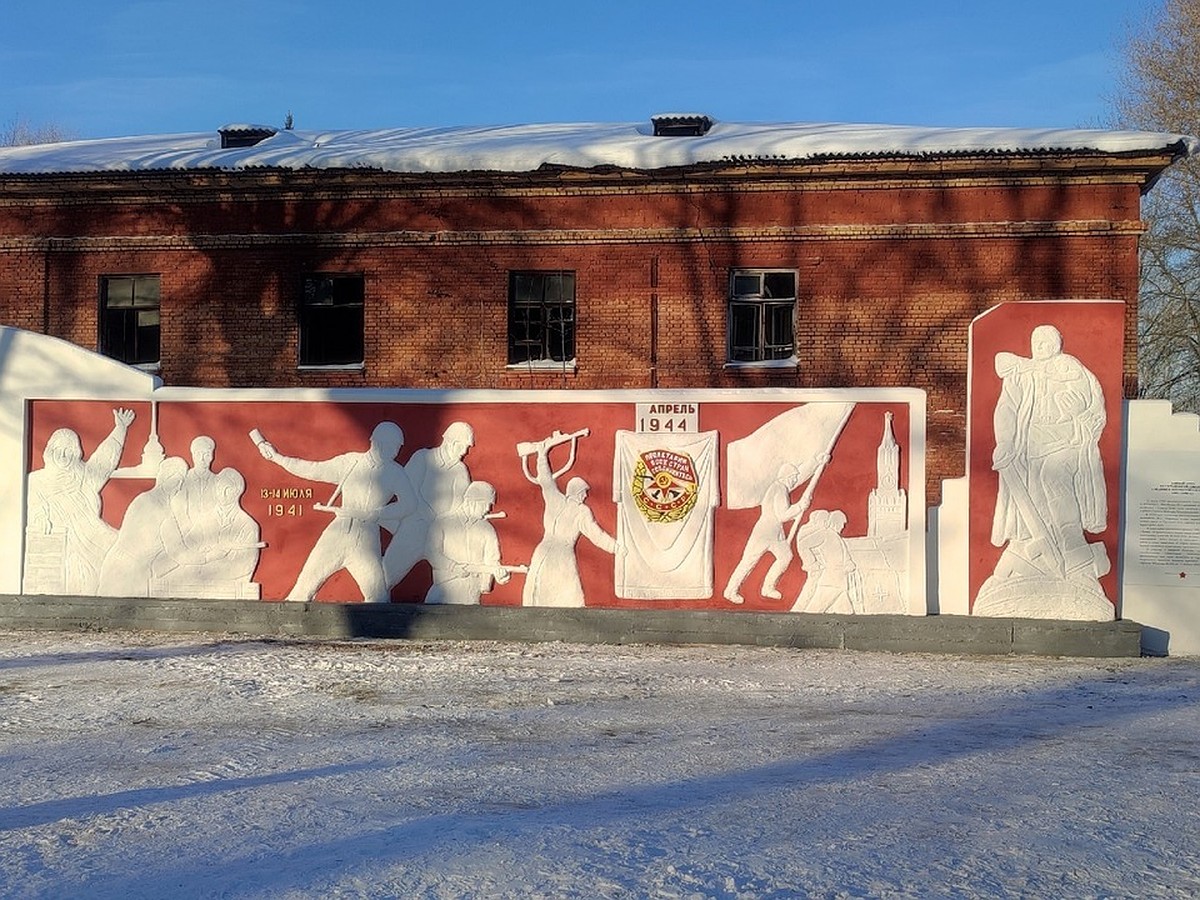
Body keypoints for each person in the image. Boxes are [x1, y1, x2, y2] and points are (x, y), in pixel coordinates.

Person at [977, 324, 1112, 618]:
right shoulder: (1021, 374)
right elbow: (1007, 408)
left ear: (1058, 344)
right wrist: (1005, 442)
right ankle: (1033, 555)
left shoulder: (1069, 367)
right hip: (1029, 450)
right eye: (1036, 340)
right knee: (1031, 503)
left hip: (1063, 444)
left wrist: (1070, 410)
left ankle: (1075, 558)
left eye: (1047, 340)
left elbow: (1090, 404)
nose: (1041, 345)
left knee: (1057, 490)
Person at [256, 422, 416, 603]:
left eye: (396, 447)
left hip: (366, 540)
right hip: (338, 534)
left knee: (378, 598)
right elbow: (312, 470)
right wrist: (277, 458)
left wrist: (377, 514)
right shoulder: (350, 462)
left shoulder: (396, 473)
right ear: (375, 442)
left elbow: (410, 505)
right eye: (390, 445)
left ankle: (375, 632)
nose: (394, 452)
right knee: (303, 590)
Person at [25, 408, 136, 594]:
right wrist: (39, 518)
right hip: (63, 541)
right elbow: (32, 504)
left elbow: (104, 461)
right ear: (49, 451)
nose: (63, 456)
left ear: (76, 452)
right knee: (81, 573)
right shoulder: (36, 480)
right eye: (58, 450)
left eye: (68, 451)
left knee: (123, 552)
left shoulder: (83, 475)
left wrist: (120, 429)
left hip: (91, 534)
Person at [523, 442, 617, 608]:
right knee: (559, 595)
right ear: (578, 492)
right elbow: (597, 535)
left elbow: (546, 481)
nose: (585, 496)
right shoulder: (577, 510)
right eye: (584, 492)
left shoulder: (560, 501)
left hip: (547, 551)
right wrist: (615, 547)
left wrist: (542, 456)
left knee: (551, 595)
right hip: (558, 554)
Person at [384, 421, 474, 588]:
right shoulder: (423, 458)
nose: (465, 452)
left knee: (453, 586)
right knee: (383, 581)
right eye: (463, 446)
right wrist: (430, 515)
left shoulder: (460, 470)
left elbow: (461, 503)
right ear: (452, 442)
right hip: (413, 530)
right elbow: (408, 491)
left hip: (443, 536)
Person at [96, 457, 189, 597]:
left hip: (129, 567)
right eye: (176, 480)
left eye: (181, 481)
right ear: (165, 477)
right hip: (127, 570)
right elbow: (176, 550)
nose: (179, 486)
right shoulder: (155, 506)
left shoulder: (148, 500)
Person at [723, 463, 811, 605]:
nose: (795, 480)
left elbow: (782, 514)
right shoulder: (779, 490)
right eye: (793, 477)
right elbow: (782, 515)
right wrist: (800, 506)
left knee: (785, 557)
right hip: (764, 533)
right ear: (786, 477)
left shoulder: (780, 488)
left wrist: (797, 510)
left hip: (775, 533)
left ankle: (768, 588)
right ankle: (730, 591)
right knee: (748, 562)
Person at [426, 481, 512, 605]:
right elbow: (432, 552)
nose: (488, 509)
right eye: (485, 504)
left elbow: (492, 560)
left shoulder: (487, 530)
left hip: (471, 592)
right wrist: (453, 567)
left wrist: (500, 575)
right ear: (472, 501)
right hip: (444, 588)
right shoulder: (443, 523)